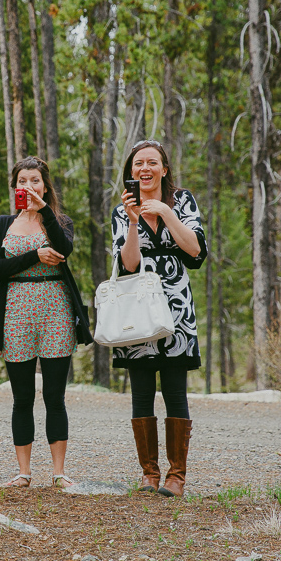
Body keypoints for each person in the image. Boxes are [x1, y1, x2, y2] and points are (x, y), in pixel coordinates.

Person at [0, 157, 92, 488]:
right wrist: (34, 255)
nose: (27, 187)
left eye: (34, 181)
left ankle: (59, 473)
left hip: (55, 311)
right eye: (22, 181)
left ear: (45, 186)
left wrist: (44, 210)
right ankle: (23, 472)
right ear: (14, 186)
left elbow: (64, 249)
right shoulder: (2, 223)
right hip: (16, 311)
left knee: (54, 396)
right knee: (22, 397)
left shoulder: (59, 221)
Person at [111, 140, 207, 497]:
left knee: (174, 390)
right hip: (137, 309)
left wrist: (166, 213)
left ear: (164, 169)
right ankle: (149, 474)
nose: (145, 169)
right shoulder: (122, 211)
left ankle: (176, 476)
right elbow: (130, 263)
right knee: (141, 392)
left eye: (153, 162)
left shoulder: (182, 201)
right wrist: (135, 221)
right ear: (131, 171)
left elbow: (195, 250)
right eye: (139, 164)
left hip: (175, 308)